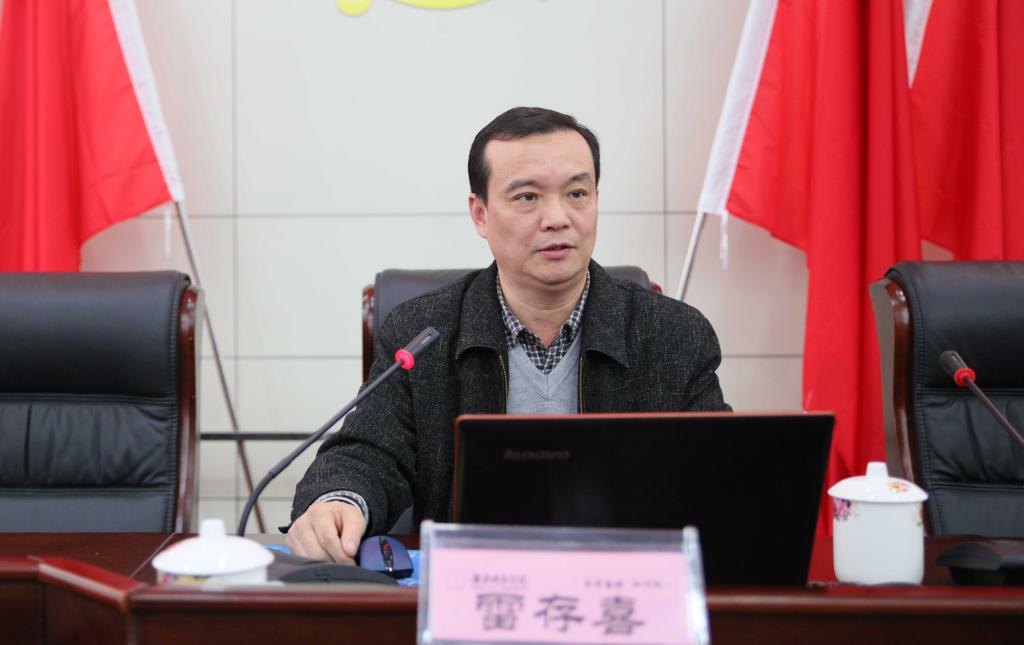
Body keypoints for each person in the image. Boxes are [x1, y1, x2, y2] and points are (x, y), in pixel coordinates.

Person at [287, 106, 730, 563]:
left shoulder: (675, 334)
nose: (557, 218)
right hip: (474, 585)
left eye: (577, 193)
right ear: (480, 214)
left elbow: (719, 475)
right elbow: (369, 452)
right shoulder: (421, 333)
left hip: (621, 586)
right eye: (527, 197)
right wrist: (339, 501)